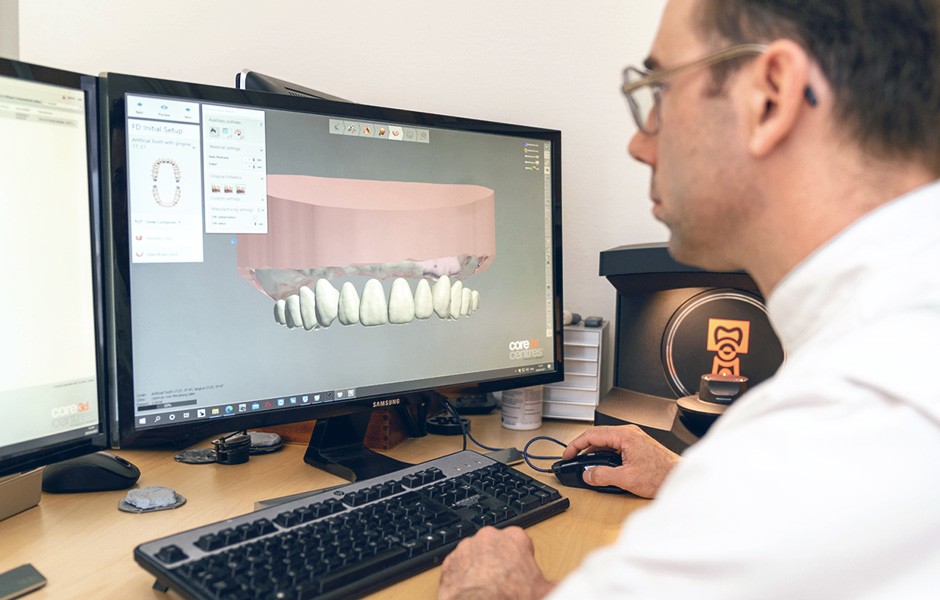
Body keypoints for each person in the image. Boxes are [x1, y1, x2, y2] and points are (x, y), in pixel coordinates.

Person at [438, 0, 940, 598]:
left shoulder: (851, 419)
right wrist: (684, 476)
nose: (639, 145)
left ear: (770, 96)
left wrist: (495, 587)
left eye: (659, 94)